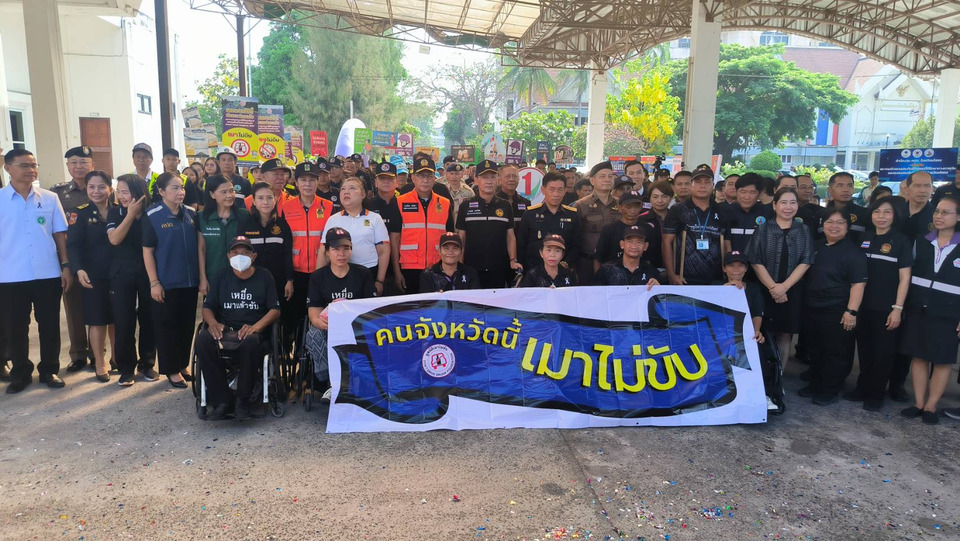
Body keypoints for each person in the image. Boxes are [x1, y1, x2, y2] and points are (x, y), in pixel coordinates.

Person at [0, 149, 71, 392]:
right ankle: (21, 373)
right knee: (16, 327)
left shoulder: (50, 198)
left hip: (47, 273)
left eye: (34, 165)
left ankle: (49, 370)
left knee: (49, 324)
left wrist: (65, 266)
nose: (31, 170)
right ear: (8, 168)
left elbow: (59, 234)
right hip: (10, 275)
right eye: (24, 166)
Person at [196, 236, 281, 420]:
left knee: (250, 342)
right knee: (202, 340)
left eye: (245, 252)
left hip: (253, 332)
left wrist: (256, 327)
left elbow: (275, 310)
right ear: (228, 256)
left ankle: (243, 400)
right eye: (235, 253)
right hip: (226, 330)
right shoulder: (221, 275)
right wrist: (213, 323)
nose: (240, 256)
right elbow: (208, 307)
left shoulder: (264, 276)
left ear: (253, 256)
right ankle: (222, 400)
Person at [899, 196, 960, 424]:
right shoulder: (921, 241)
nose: (939, 216)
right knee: (919, 356)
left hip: (949, 313)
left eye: (946, 212)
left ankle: (931, 406)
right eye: (937, 212)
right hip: (919, 308)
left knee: (942, 360)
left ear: (958, 217)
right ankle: (918, 403)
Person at [846, 197, 912, 411]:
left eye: (887, 212)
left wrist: (897, 308)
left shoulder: (901, 241)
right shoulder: (863, 237)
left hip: (887, 307)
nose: (881, 216)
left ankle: (876, 393)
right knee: (865, 350)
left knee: (883, 353)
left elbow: (905, 278)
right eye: (877, 212)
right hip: (862, 305)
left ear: (895, 216)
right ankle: (862, 387)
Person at [798, 208, 868, 405]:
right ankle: (815, 384)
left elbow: (858, 284)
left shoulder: (854, 253)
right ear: (823, 225)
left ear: (847, 227)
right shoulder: (816, 246)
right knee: (816, 349)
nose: (834, 226)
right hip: (813, 307)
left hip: (837, 310)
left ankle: (830, 390)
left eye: (840, 223)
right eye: (830, 222)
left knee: (836, 353)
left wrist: (851, 311)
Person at [142, 172, 202, 389]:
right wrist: (154, 283)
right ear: (161, 191)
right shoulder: (152, 215)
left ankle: (183, 364)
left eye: (182, 188)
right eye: (175, 188)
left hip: (189, 281)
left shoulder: (191, 214)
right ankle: (171, 369)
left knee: (186, 326)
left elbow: (199, 247)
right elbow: (148, 252)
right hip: (166, 282)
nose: (180, 192)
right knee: (167, 327)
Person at [744, 188, 813, 369]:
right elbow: (755, 260)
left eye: (792, 203)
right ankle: (761, 373)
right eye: (783, 202)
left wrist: (784, 287)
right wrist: (773, 287)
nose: (788, 207)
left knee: (785, 333)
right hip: (765, 289)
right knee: (761, 331)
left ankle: (779, 374)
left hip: (792, 291)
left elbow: (806, 261)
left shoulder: (803, 230)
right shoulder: (763, 229)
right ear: (774, 205)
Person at [304, 228, 375, 401]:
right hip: (328, 326)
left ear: (351, 250)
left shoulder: (363, 274)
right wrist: (318, 322)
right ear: (327, 252)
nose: (341, 254)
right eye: (336, 249)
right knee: (313, 334)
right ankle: (331, 383)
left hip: (356, 326)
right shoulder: (318, 277)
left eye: (346, 249)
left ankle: (359, 382)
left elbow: (371, 308)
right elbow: (313, 311)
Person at [886, 171, 935, 401]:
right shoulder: (895, 211)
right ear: (907, 187)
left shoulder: (936, 216)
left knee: (908, 333)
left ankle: (897, 382)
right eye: (918, 185)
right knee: (885, 331)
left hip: (920, 283)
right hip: (888, 279)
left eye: (927, 186)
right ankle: (877, 378)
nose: (923, 190)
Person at [106, 174, 158, 386]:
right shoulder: (114, 211)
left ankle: (147, 364)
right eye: (118, 192)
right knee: (124, 320)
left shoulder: (152, 212)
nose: (121, 196)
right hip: (121, 273)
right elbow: (114, 239)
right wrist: (130, 215)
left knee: (149, 318)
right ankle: (126, 368)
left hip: (148, 272)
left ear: (138, 192)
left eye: (125, 192)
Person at [67, 171, 118, 382]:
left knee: (117, 318)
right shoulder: (80, 213)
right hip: (92, 275)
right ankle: (99, 362)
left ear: (110, 189)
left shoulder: (119, 211)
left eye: (101, 187)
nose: (96, 191)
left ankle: (117, 358)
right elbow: (73, 246)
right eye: (91, 187)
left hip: (118, 273)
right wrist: (78, 269)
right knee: (97, 320)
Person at [282, 162, 335, 345]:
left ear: (317, 182)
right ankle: (297, 352)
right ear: (296, 182)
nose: (307, 184)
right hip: (296, 273)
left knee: (321, 316)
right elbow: (284, 245)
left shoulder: (328, 206)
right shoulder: (285, 208)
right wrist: (288, 278)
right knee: (295, 316)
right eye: (303, 180)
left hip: (322, 271)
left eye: (312, 180)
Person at [54, 146, 94, 372]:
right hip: (70, 257)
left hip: (97, 257)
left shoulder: (102, 187)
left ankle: (99, 353)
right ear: (68, 166)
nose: (79, 167)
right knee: (74, 307)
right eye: (74, 162)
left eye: (84, 162)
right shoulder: (57, 193)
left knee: (99, 306)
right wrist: (65, 264)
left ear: (92, 165)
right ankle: (78, 354)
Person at [390, 156, 455, 294]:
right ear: (413, 178)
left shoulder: (445, 203)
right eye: (420, 175)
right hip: (409, 268)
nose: (425, 180)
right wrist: (397, 272)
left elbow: (451, 237)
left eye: (429, 176)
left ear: (434, 178)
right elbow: (394, 239)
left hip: (438, 267)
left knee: (437, 306)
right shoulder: (400, 202)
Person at [456, 160, 522, 288]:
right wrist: (459, 265)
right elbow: (461, 238)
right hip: (471, 268)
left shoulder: (505, 205)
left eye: (492, 177)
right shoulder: (466, 205)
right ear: (476, 180)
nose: (489, 181)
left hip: (499, 268)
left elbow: (510, 236)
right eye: (484, 177)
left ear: (498, 180)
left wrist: (512, 260)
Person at [321, 177, 390, 295]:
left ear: (363, 194)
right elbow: (324, 251)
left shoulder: (375, 218)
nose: (346, 192)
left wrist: (380, 281)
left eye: (352, 188)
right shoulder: (333, 219)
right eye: (343, 189)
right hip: (339, 273)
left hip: (369, 272)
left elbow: (384, 251)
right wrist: (319, 278)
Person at [663, 170, 728, 285]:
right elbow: (666, 242)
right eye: (698, 182)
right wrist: (671, 274)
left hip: (716, 279)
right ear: (691, 185)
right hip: (685, 278)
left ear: (713, 186)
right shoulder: (678, 209)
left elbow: (727, 245)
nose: (702, 186)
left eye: (707, 182)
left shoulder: (721, 210)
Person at [242, 181, 294, 311]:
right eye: (260, 198)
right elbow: (240, 253)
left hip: (279, 281)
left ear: (275, 200)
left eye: (269, 197)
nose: (265, 202)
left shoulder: (283, 224)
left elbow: (288, 254)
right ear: (253, 201)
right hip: (252, 280)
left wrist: (289, 280)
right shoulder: (245, 224)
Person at [198, 175, 250, 296]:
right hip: (213, 276)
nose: (230, 195)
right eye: (224, 192)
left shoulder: (244, 215)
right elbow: (201, 250)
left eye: (232, 190)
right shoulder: (202, 217)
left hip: (240, 276)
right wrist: (203, 278)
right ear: (212, 194)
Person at [516, 172, 580, 270]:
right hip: (534, 270)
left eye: (560, 190)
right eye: (551, 189)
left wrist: (566, 263)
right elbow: (521, 245)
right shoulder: (530, 214)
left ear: (565, 191)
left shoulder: (572, 215)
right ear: (543, 190)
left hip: (563, 270)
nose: (556, 194)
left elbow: (576, 245)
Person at [574, 161, 619, 285]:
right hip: (587, 262)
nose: (607, 179)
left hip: (614, 262)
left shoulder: (620, 204)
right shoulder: (581, 205)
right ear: (592, 180)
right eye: (602, 176)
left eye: (610, 176)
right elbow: (575, 236)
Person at [723, 173, 774, 253]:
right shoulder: (726, 211)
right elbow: (726, 240)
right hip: (734, 259)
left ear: (760, 194)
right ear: (736, 192)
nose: (747, 197)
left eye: (752, 192)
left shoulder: (768, 212)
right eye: (743, 192)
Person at [594, 190, 645, 271]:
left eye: (636, 206)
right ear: (620, 208)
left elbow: (649, 258)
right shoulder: (609, 230)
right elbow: (598, 258)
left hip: (639, 275)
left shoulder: (647, 229)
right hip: (612, 273)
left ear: (641, 207)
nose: (632, 210)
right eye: (628, 207)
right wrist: (599, 276)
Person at [595, 225, 661, 287]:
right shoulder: (606, 270)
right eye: (630, 241)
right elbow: (595, 293)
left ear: (645, 246)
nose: (634, 246)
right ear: (622, 244)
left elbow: (660, 295)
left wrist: (657, 289)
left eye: (639, 242)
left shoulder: (652, 273)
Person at [818, 172, 868, 241]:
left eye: (849, 185)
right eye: (840, 186)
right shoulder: (820, 214)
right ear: (830, 190)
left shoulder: (865, 214)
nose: (846, 190)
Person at [637, 180, 673, 271]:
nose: (660, 200)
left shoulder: (677, 218)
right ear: (650, 198)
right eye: (655, 197)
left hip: (674, 269)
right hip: (649, 269)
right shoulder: (641, 220)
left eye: (664, 196)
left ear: (671, 198)